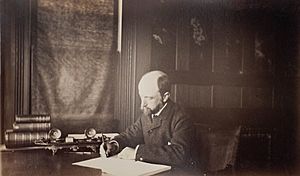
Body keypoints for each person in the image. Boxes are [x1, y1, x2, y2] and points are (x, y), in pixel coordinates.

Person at [100, 70, 195, 167]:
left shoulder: (181, 117)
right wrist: (114, 144)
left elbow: (178, 154)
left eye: (149, 98)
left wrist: (137, 153)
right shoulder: (148, 112)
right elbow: (130, 135)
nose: (143, 104)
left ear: (165, 97)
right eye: (141, 97)